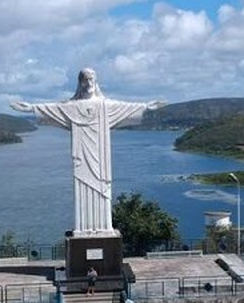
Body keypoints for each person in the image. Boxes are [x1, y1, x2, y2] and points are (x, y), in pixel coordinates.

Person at [10, 68, 163, 235]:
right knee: (82, 188)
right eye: (85, 80)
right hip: (82, 158)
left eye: (91, 80)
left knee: (102, 190)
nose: (89, 83)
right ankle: (83, 229)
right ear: (80, 82)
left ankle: (104, 228)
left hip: (101, 157)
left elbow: (125, 108)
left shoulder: (105, 106)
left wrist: (145, 107)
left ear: (96, 81)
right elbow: (54, 109)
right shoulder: (72, 107)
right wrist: (31, 108)